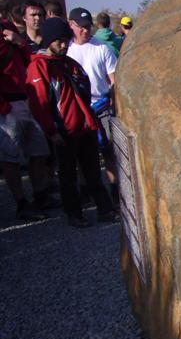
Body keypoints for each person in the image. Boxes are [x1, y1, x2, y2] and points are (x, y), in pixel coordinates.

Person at [26, 18, 117, 227]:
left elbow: (84, 89)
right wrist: (52, 131)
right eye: (59, 41)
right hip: (64, 130)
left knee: (94, 172)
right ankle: (75, 214)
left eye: (66, 40)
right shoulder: (39, 67)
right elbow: (39, 104)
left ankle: (106, 210)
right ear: (49, 40)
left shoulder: (69, 64)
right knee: (68, 176)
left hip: (85, 126)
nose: (64, 45)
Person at [0, 0, 52, 220]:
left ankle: (40, 194)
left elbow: (28, 61)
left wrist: (19, 42)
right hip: (7, 105)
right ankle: (21, 202)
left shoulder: (8, 29)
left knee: (39, 150)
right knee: (11, 157)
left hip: (26, 99)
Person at [66, 7, 119, 202]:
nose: (86, 31)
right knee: (82, 154)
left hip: (101, 107)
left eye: (88, 27)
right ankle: (85, 189)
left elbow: (113, 79)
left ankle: (114, 188)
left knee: (108, 151)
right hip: (77, 109)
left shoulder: (101, 48)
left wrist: (113, 99)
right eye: (81, 27)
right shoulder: (67, 49)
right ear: (72, 25)